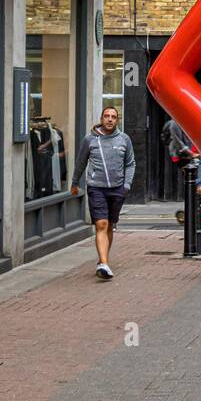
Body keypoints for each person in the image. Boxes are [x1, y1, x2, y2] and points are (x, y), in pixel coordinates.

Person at [70, 105, 136, 280]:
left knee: (110, 225)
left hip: (117, 189)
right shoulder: (90, 140)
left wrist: (126, 185)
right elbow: (80, 162)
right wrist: (75, 182)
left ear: (117, 120)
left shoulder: (124, 139)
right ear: (101, 118)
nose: (109, 119)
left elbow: (130, 163)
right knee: (101, 224)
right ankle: (104, 263)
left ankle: (103, 260)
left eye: (113, 117)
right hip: (96, 187)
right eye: (106, 116)